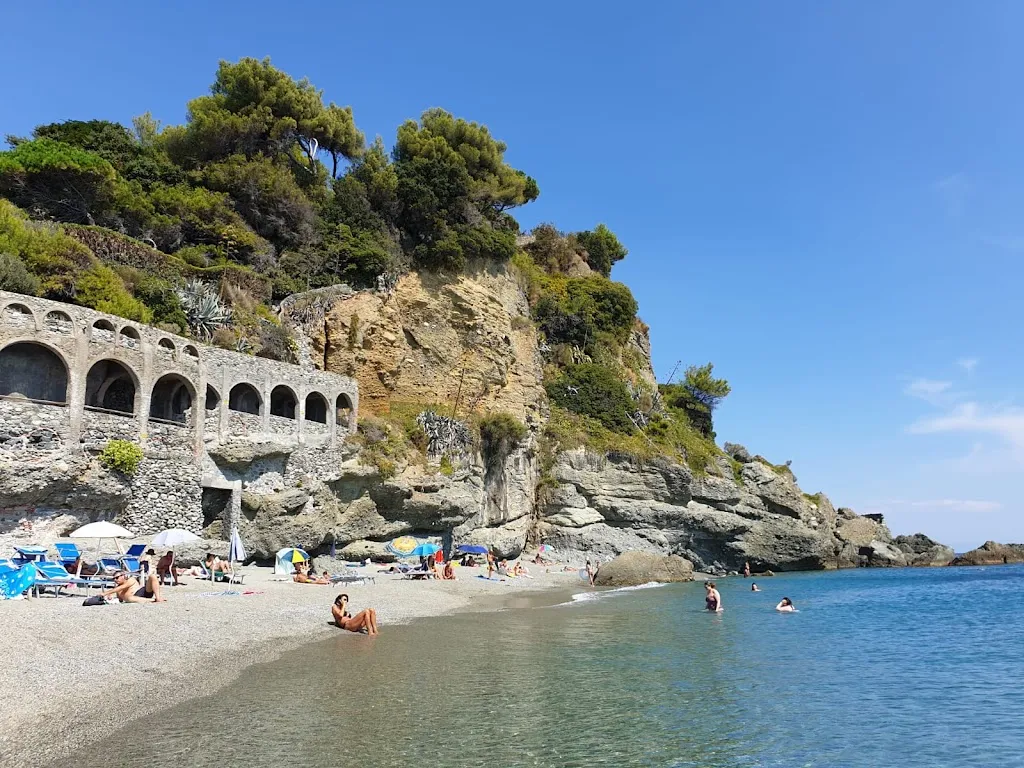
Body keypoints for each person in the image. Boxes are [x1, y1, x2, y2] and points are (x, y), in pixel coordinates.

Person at [100, 570, 165, 603]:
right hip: (134, 598)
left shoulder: (130, 580)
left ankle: (158, 597)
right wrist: (110, 597)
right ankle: (153, 600)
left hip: (143, 592)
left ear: (123, 576)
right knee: (128, 598)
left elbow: (122, 587)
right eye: (113, 579)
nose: (115, 580)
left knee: (152, 576)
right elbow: (121, 600)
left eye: (117, 578)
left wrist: (105, 593)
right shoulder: (118, 589)